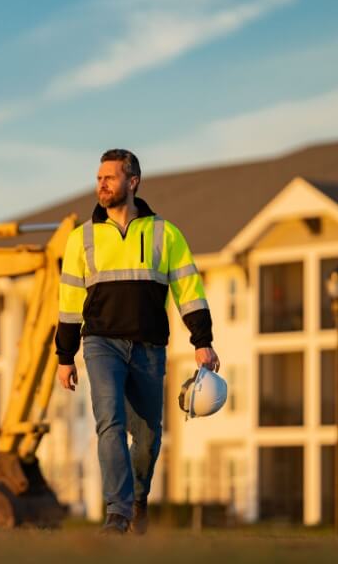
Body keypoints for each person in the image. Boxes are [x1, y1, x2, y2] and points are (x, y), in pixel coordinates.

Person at [55, 149, 220, 535]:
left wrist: (202, 340)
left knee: (147, 436)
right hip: (100, 344)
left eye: (109, 177)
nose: (101, 184)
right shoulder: (82, 239)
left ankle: (138, 499)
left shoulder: (166, 233)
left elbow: (189, 290)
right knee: (108, 420)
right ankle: (117, 512)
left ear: (133, 182)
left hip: (148, 347)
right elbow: (67, 303)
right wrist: (66, 356)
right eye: (98, 178)